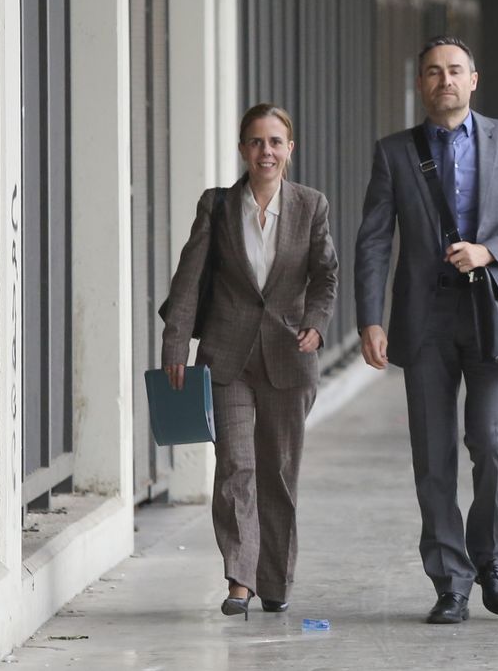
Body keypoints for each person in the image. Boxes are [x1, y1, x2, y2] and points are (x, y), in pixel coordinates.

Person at [354, 36, 498, 625]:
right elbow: (374, 240)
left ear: (474, 78)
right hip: (424, 320)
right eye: (433, 72)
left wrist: (489, 251)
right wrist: (370, 317)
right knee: (433, 455)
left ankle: (490, 560)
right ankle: (451, 579)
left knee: (491, 443)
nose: (445, 80)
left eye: (455, 70)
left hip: (491, 314)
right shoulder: (395, 153)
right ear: (420, 85)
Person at [161, 103, 338, 618]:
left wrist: (318, 323)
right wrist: (176, 343)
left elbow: (326, 275)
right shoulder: (217, 206)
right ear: (243, 150)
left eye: (275, 142)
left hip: (290, 353)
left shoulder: (311, 206)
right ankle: (240, 579)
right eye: (256, 142)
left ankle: (275, 578)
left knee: (278, 472)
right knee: (236, 466)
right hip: (228, 354)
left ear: (290, 150)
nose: (266, 151)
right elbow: (188, 279)